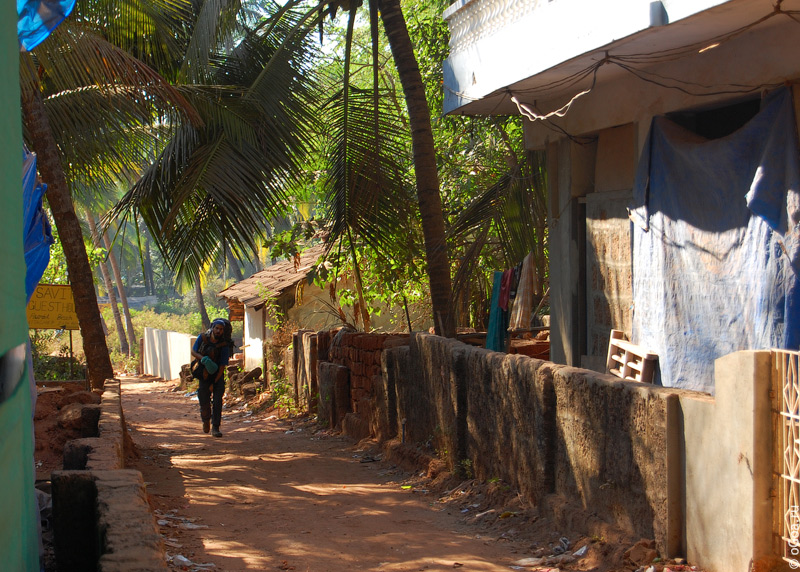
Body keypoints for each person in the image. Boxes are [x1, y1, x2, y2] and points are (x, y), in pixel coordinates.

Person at [191, 318, 232, 437]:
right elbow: (193, 352)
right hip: (204, 374)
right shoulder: (203, 338)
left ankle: (215, 427)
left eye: (221, 329)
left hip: (217, 375)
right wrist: (202, 358)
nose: (218, 331)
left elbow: (222, 366)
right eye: (217, 328)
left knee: (218, 401)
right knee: (203, 398)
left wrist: (214, 383)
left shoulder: (224, 345)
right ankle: (205, 420)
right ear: (212, 328)